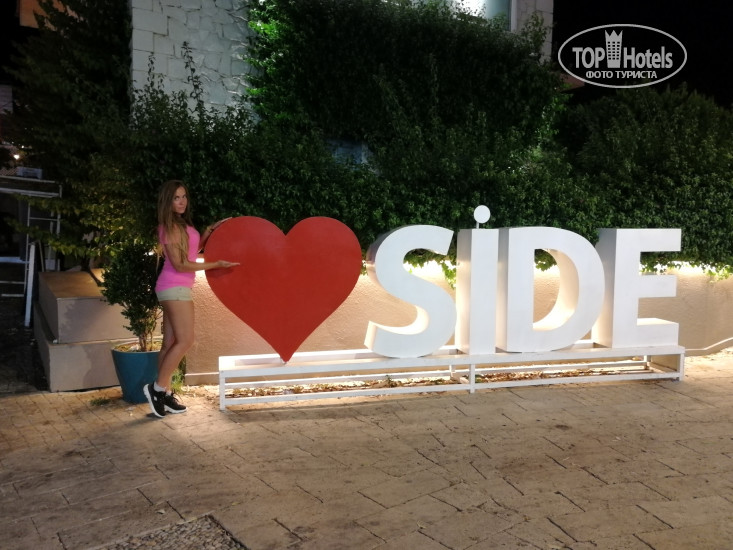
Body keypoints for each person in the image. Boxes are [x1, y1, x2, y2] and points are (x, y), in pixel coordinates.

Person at [144, 179, 239, 418]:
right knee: (186, 341)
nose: (182, 201)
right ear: (167, 201)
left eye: (184, 196)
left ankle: (164, 394)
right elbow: (180, 264)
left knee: (170, 343)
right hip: (174, 288)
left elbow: (189, 254)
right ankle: (157, 389)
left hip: (173, 288)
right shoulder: (170, 227)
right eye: (176, 198)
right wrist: (216, 264)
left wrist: (207, 232)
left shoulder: (180, 225)